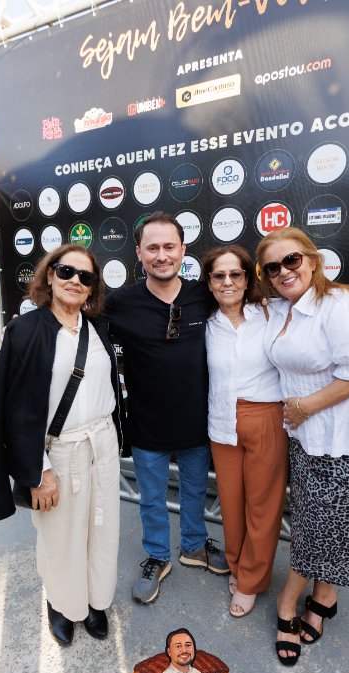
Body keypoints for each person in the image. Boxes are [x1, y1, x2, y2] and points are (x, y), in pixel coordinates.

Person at [255, 227, 349, 666]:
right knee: (322, 526)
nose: (283, 271)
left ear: (312, 260)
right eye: (272, 267)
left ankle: (288, 604)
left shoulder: (339, 304)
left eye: (291, 260)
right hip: (307, 441)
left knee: (321, 530)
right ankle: (324, 598)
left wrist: (303, 407)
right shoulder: (282, 309)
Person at [0, 246, 126, 646]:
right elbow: (14, 409)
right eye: (66, 271)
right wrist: (38, 469)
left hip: (101, 444)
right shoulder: (26, 331)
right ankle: (63, 604)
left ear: (92, 288)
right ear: (49, 275)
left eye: (86, 277)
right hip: (58, 452)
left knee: (102, 527)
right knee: (60, 536)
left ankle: (95, 600)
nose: (75, 281)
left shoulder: (99, 328)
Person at [104, 211, 229, 605]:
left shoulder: (203, 295)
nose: (162, 255)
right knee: (152, 499)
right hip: (146, 424)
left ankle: (194, 546)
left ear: (183, 249)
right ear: (139, 253)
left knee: (194, 490)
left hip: (197, 421)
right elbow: (73, 323)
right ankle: (157, 556)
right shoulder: (119, 303)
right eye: (153, 247)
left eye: (169, 246)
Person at [202, 245, 288, 619]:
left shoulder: (271, 313)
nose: (227, 282)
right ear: (209, 282)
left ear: (247, 277)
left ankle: (251, 581)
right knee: (231, 503)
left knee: (262, 506)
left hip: (266, 417)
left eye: (235, 274)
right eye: (219, 275)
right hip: (221, 421)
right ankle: (237, 564)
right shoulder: (204, 323)